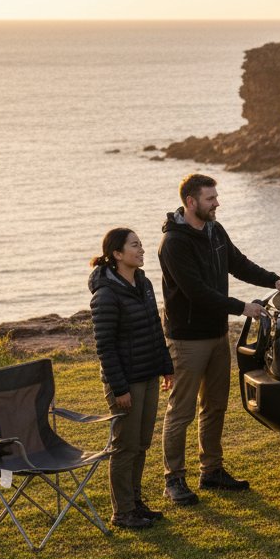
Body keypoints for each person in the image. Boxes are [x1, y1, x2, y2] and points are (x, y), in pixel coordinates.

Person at [158, 173, 280, 505]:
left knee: (215, 406)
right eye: (210, 198)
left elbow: (238, 264)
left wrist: (274, 280)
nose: (217, 203)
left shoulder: (214, 230)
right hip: (188, 339)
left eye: (216, 197)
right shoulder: (174, 243)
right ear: (191, 202)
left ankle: (212, 471)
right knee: (181, 411)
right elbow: (196, 292)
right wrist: (242, 308)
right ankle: (173, 479)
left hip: (217, 334)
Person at [89, 227, 175, 530]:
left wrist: (166, 367)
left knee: (141, 444)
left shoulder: (144, 283)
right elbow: (105, 346)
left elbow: (155, 327)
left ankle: (136, 504)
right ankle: (122, 511)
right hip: (125, 382)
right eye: (134, 246)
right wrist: (120, 388)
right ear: (117, 254)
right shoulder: (106, 294)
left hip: (149, 373)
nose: (141, 250)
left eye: (140, 245)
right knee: (125, 447)